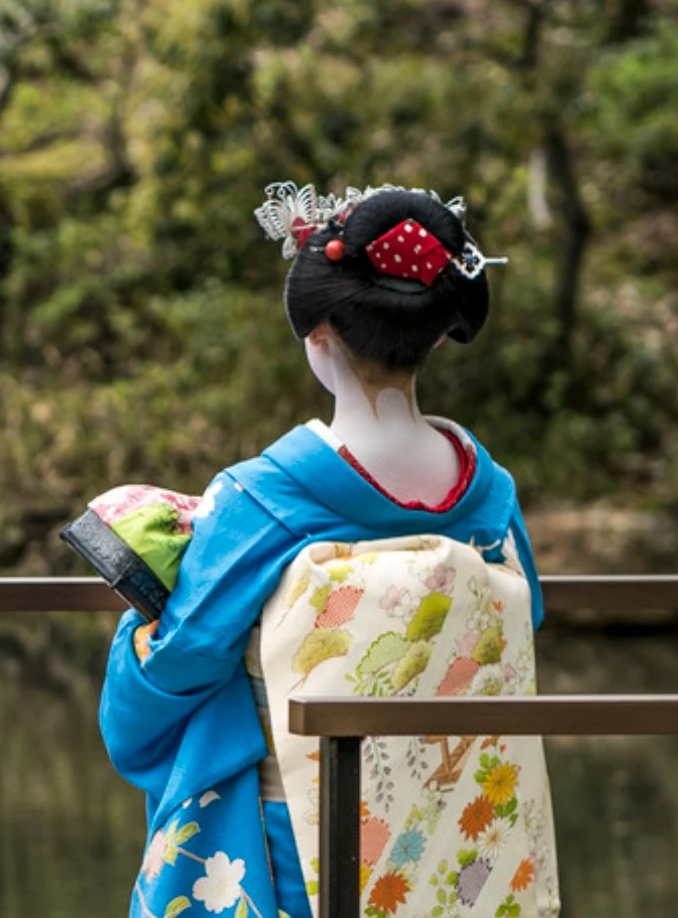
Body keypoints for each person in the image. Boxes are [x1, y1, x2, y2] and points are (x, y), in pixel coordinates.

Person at [95, 183, 558, 918]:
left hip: (300, 853)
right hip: (454, 853)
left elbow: (173, 672)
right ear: (438, 336)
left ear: (316, 334)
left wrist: (140, 624)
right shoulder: (490, 498)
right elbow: (520, 622)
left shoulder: (262, 500)